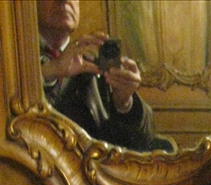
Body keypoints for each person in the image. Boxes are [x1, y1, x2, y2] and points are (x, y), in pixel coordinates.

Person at [37, 0, 166, 152]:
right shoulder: (16, 61)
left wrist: (125, 104)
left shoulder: (94, 66)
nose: (65, 1)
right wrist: (48, 74)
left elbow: (143, 141)